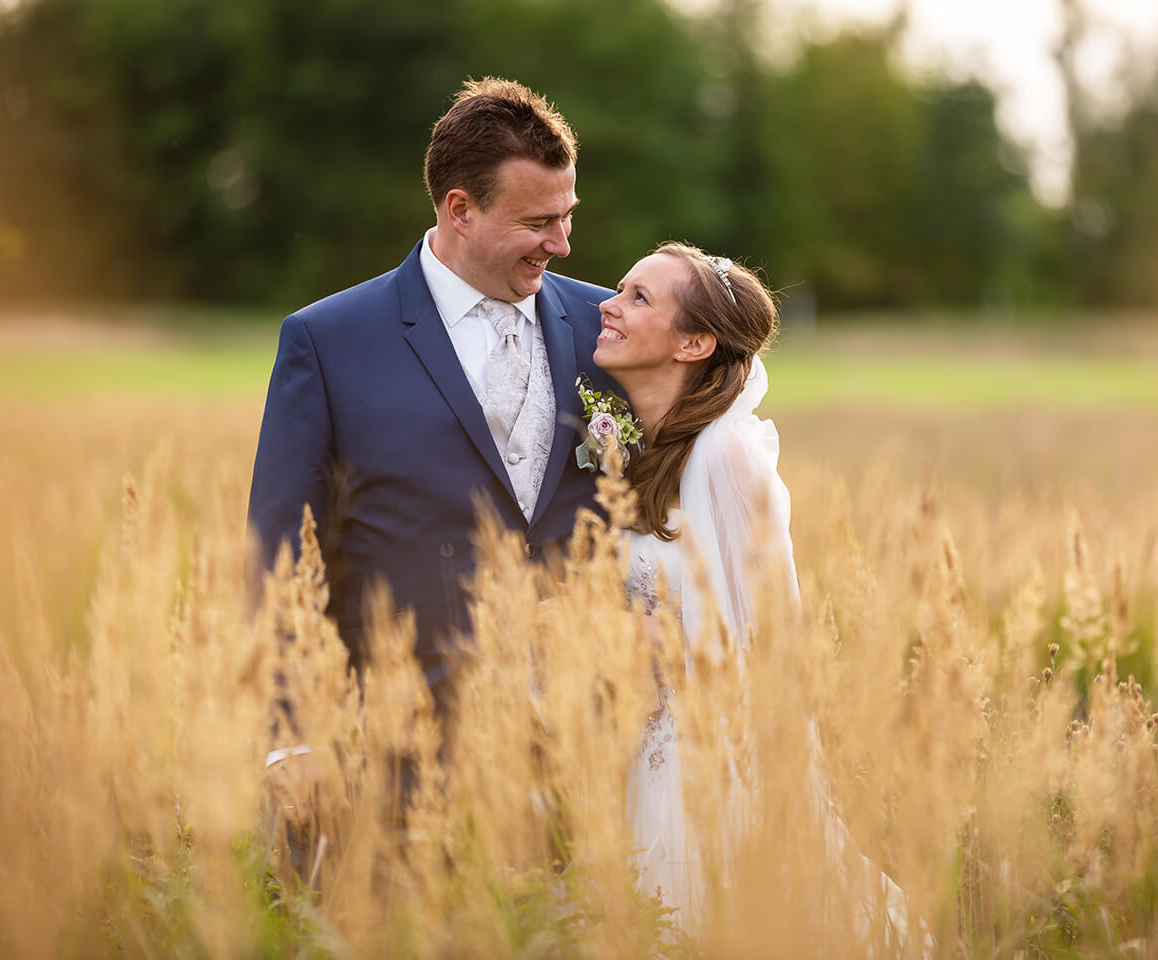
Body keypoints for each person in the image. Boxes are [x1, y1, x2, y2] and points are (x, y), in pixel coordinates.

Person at [248, 78, 620, 761]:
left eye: (568, 215)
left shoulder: (616, 328)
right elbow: (280, 555)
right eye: (539, 222)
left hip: (590, 760)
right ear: (461, 209)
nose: (563, 243)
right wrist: (291, 740)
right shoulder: (328, 342)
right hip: (402, 753)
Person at [593, 242, 910, 942]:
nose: (608, 305)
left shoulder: (726, 456)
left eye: (639, 298)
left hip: (710, 769)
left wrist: (659, 644)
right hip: (639, 759)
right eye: (621, 288)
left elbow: (769, 641)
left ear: (695, 342)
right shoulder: (640, 459)